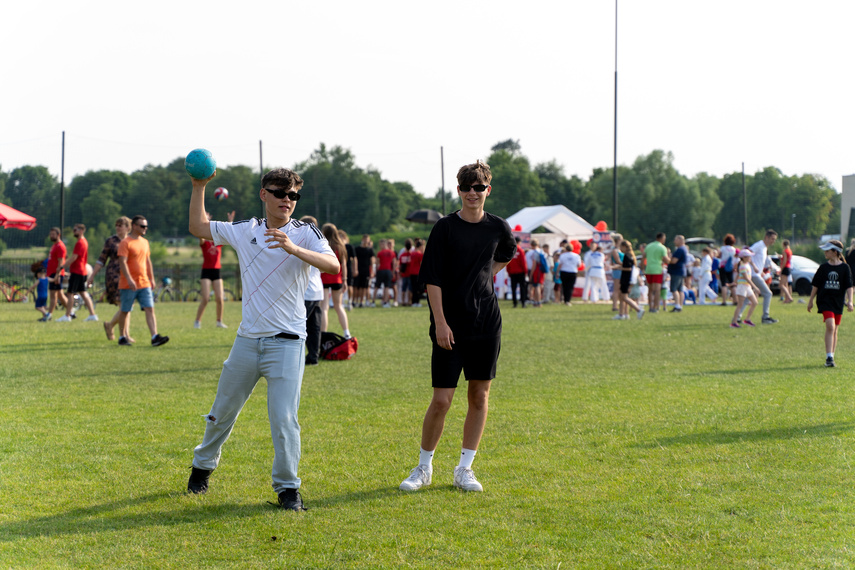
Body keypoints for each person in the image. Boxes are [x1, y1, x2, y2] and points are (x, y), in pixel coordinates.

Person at [186, 168, 339, 511]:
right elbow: (198, 227)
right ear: (263, 194)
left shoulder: (305, 233)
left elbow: (333, 266)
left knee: (284, 420)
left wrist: (293, 249)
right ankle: (201, 468)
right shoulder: (246, 230)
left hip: (288, 343)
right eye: (280, 193)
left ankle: (288, 490)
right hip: (247, 341)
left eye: (293, 195)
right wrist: (199, 186)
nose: (287, 200)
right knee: (221, 412)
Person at [399, 160, 515, 493]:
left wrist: (485, 273)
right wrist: (440, 323)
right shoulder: (445, 227)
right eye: (466, 188)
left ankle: (465, 469)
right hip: (449, 325)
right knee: (442, 400)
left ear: (488, 190)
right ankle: (423, 467)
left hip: (486, 323)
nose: (472, 193)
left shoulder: (498, 227)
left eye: (478, 188)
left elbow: (507, 253)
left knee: (479, 395)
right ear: (459, 190)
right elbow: (432, 278)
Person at [117, 216, 169, 347]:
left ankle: (154, 337)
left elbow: (147, 261)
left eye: (146, 226)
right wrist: (129, 279)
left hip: (144, 282)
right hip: (128, 284)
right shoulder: (125, 242)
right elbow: (122, 262)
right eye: (142, 226)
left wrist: (152, 278)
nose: (145, 228)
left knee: (150, 308)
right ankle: (122, 337)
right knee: (125, 310)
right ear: (134, 226)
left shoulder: (145, 242)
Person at [807, 240, 854, 368]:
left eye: (827, 251)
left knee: (835, 329)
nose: (825, 253)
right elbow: (816, 285)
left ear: (835, 252)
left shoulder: (845, 268)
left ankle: (831, 356)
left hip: (838, 302)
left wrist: (850, 301)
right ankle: (828, 356)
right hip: (825, 301)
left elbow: (849, 286)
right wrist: (810, 301)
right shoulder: (823, 268)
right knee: (830, 325)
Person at [88, 217, 132, 340]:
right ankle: (125, 335)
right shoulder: (111, 241)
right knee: (124, 305)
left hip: (129, 276)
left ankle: (111, 326)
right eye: (116, 225)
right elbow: (101, 259)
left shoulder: (131, 241)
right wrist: (92, 275)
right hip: (114, 275)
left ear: (128, 227)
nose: (118, 227)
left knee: (127, 306)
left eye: (120, 225)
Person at [194, 211, 236, 328]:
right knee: (206, 298)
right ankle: (197, 321)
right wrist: (203, 220)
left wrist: (230, 222)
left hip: (216, 270)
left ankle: (219, 321)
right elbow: (200, 234)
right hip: (206, 271)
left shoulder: (218, 242)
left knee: (220, 298)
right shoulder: (204, 242)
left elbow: (228, 236)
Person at [56, 223, 98, 322]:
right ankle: (92, 315)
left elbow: (74, 257)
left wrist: (62, 266)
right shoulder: (84, 241)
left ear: (81, 231)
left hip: (77, 271)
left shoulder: (80, 243)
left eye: (75, 230)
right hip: (82, 271)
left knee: (70, 293)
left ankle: (67, 315)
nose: (74, 232)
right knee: (83, 293)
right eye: (73, 230)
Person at [741, 229, 779, 324]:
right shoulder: (759, 245)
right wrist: (753, 266)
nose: (773, 241)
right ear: (766, 237)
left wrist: (761, 271)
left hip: (756, 274)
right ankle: (765, 317)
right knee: (768, 293)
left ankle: (738, 317)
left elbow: (757, 260)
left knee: (748, 296)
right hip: (754, 275)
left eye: (774, 239)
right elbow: (747, 253)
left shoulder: (764, 247)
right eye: (772, 239)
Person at [320, 222, 351, 338]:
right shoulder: (340, 246)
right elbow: (344, 265)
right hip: (337, 279)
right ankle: (346, 332)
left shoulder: (323, 245)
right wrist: (345, 280)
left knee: (324, 308)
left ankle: (323, 333)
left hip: (324, 279)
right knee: (339, 306)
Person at [301, 216, 324, 366]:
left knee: (299, 326)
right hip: (317, 290)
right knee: (314, 326)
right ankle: (313, 356)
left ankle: (297, 355)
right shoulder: (319, 243)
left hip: (306, 291)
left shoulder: (303, 244)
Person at [614, 240, 644, 320]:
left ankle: (638, 309)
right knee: (622, 297)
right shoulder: (631, 255)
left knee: (624, 297)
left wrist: (618, 268)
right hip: (628, 279)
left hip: (626, 279)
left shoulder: (627, 256)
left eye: (621, 247)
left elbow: (628, 268)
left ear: (624, 247)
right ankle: (624, 314)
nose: (620, 249)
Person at [730, 249, 760, 328]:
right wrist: (755, 287)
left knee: (755, 302)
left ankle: (747, 319)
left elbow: (739, 275)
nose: (750, 258)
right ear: (744, 257)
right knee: (740, 305)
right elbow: (746, 278)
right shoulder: (743, 266)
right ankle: (734, 322)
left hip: (747, 286)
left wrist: (734, 282)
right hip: (742, 286)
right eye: (749, 256)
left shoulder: (746, 264)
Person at [44, 227, 68, 322]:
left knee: (53, 295)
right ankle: (71, 312)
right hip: (52, 273)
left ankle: (49, 315)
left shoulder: (60, 246)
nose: (51, 236)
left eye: (53, 234)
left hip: (55, 274)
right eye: (51, 234)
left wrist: (57, 275)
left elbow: (61, 262)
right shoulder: (54, 245)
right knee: (60, 295)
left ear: (59, 235)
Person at [643, 233, 669, 313]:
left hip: (648, 269)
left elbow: (643, 256)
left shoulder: (649, 246)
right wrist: (670, 261)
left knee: (650, 290)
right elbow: (666, 260)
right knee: (657, 290)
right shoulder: (662, 247)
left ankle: (650, 306)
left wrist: (642, 268)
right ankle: (655, 307)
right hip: (657, 270)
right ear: (662, 238)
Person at [667, 235, 688, 312]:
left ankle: (677, 306)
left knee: (674, 289)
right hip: (681, 271)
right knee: (680, 290)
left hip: (676, 271)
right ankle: (680, 306)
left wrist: (668, 259)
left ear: (680, 240)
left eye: (676, 240)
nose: (674, 241)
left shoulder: (680, 250)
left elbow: (674, 261)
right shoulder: (684, 249)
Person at [506, 237, 528, 307]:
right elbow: (523, 262)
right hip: (520, 272)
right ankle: (523, 303)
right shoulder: (520, 250)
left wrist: (508, 271)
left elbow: (507, 262)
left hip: (512, 272)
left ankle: (514, 303)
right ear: (519, 242)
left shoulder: (510, 250)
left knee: (513, 288)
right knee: (522, 288)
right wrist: (525, 271)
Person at [354, 235, 375, 307]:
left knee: (364, 287)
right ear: (362, 239)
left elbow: (372, 261)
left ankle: (361, 301)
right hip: (358, 270)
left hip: (366, 270)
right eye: (365, 239)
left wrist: (372, 271)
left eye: (367, 239)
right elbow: (355, 260)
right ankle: (355, 301)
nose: (366, 241)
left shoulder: (370, 250)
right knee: (356, 286)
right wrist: (355, 269)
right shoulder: (357, 249)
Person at [375, 239, 397, 307]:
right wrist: (393, 272)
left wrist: (376, 271)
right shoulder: (392, 252)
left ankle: (373, 301)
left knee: (378, 286)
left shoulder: (380, 253)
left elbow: (377, 263)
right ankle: (386, 301)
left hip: (382, 270)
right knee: (387, 287)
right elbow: (394, 263)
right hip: (388, 271)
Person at [719, 234, 737, 305]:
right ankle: (735, 300)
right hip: (730, 267)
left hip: (723, 266)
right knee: (732, 283)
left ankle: (724, 301)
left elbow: (719, 255)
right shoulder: (733, 249)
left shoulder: (723, 248)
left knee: (724, 284)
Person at [526, 238, 545, 307]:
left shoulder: (531, 252)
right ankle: (537, 301)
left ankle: (537, 302)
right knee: (537, 286)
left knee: (536, 286)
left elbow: (534, 264)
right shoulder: (541, 251)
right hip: (540, 271)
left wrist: (531, 274)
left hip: (534, 271)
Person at [340, 229, 356, 310]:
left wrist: (355, 269)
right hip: (339, 268)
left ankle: (350, 301)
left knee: (349, 286)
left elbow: (354, 258)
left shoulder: (349, 247)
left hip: (348, 267)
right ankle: (341, 302)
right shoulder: (338, 247)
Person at [779, 239, 794, 303]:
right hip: (788, 267)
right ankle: (787, 299)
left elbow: (784, 261)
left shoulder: (785, 251)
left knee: (781, 285)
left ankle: (789, 298)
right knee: (786, 284)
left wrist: (781, 269)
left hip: (785, 268)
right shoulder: (790, 251)